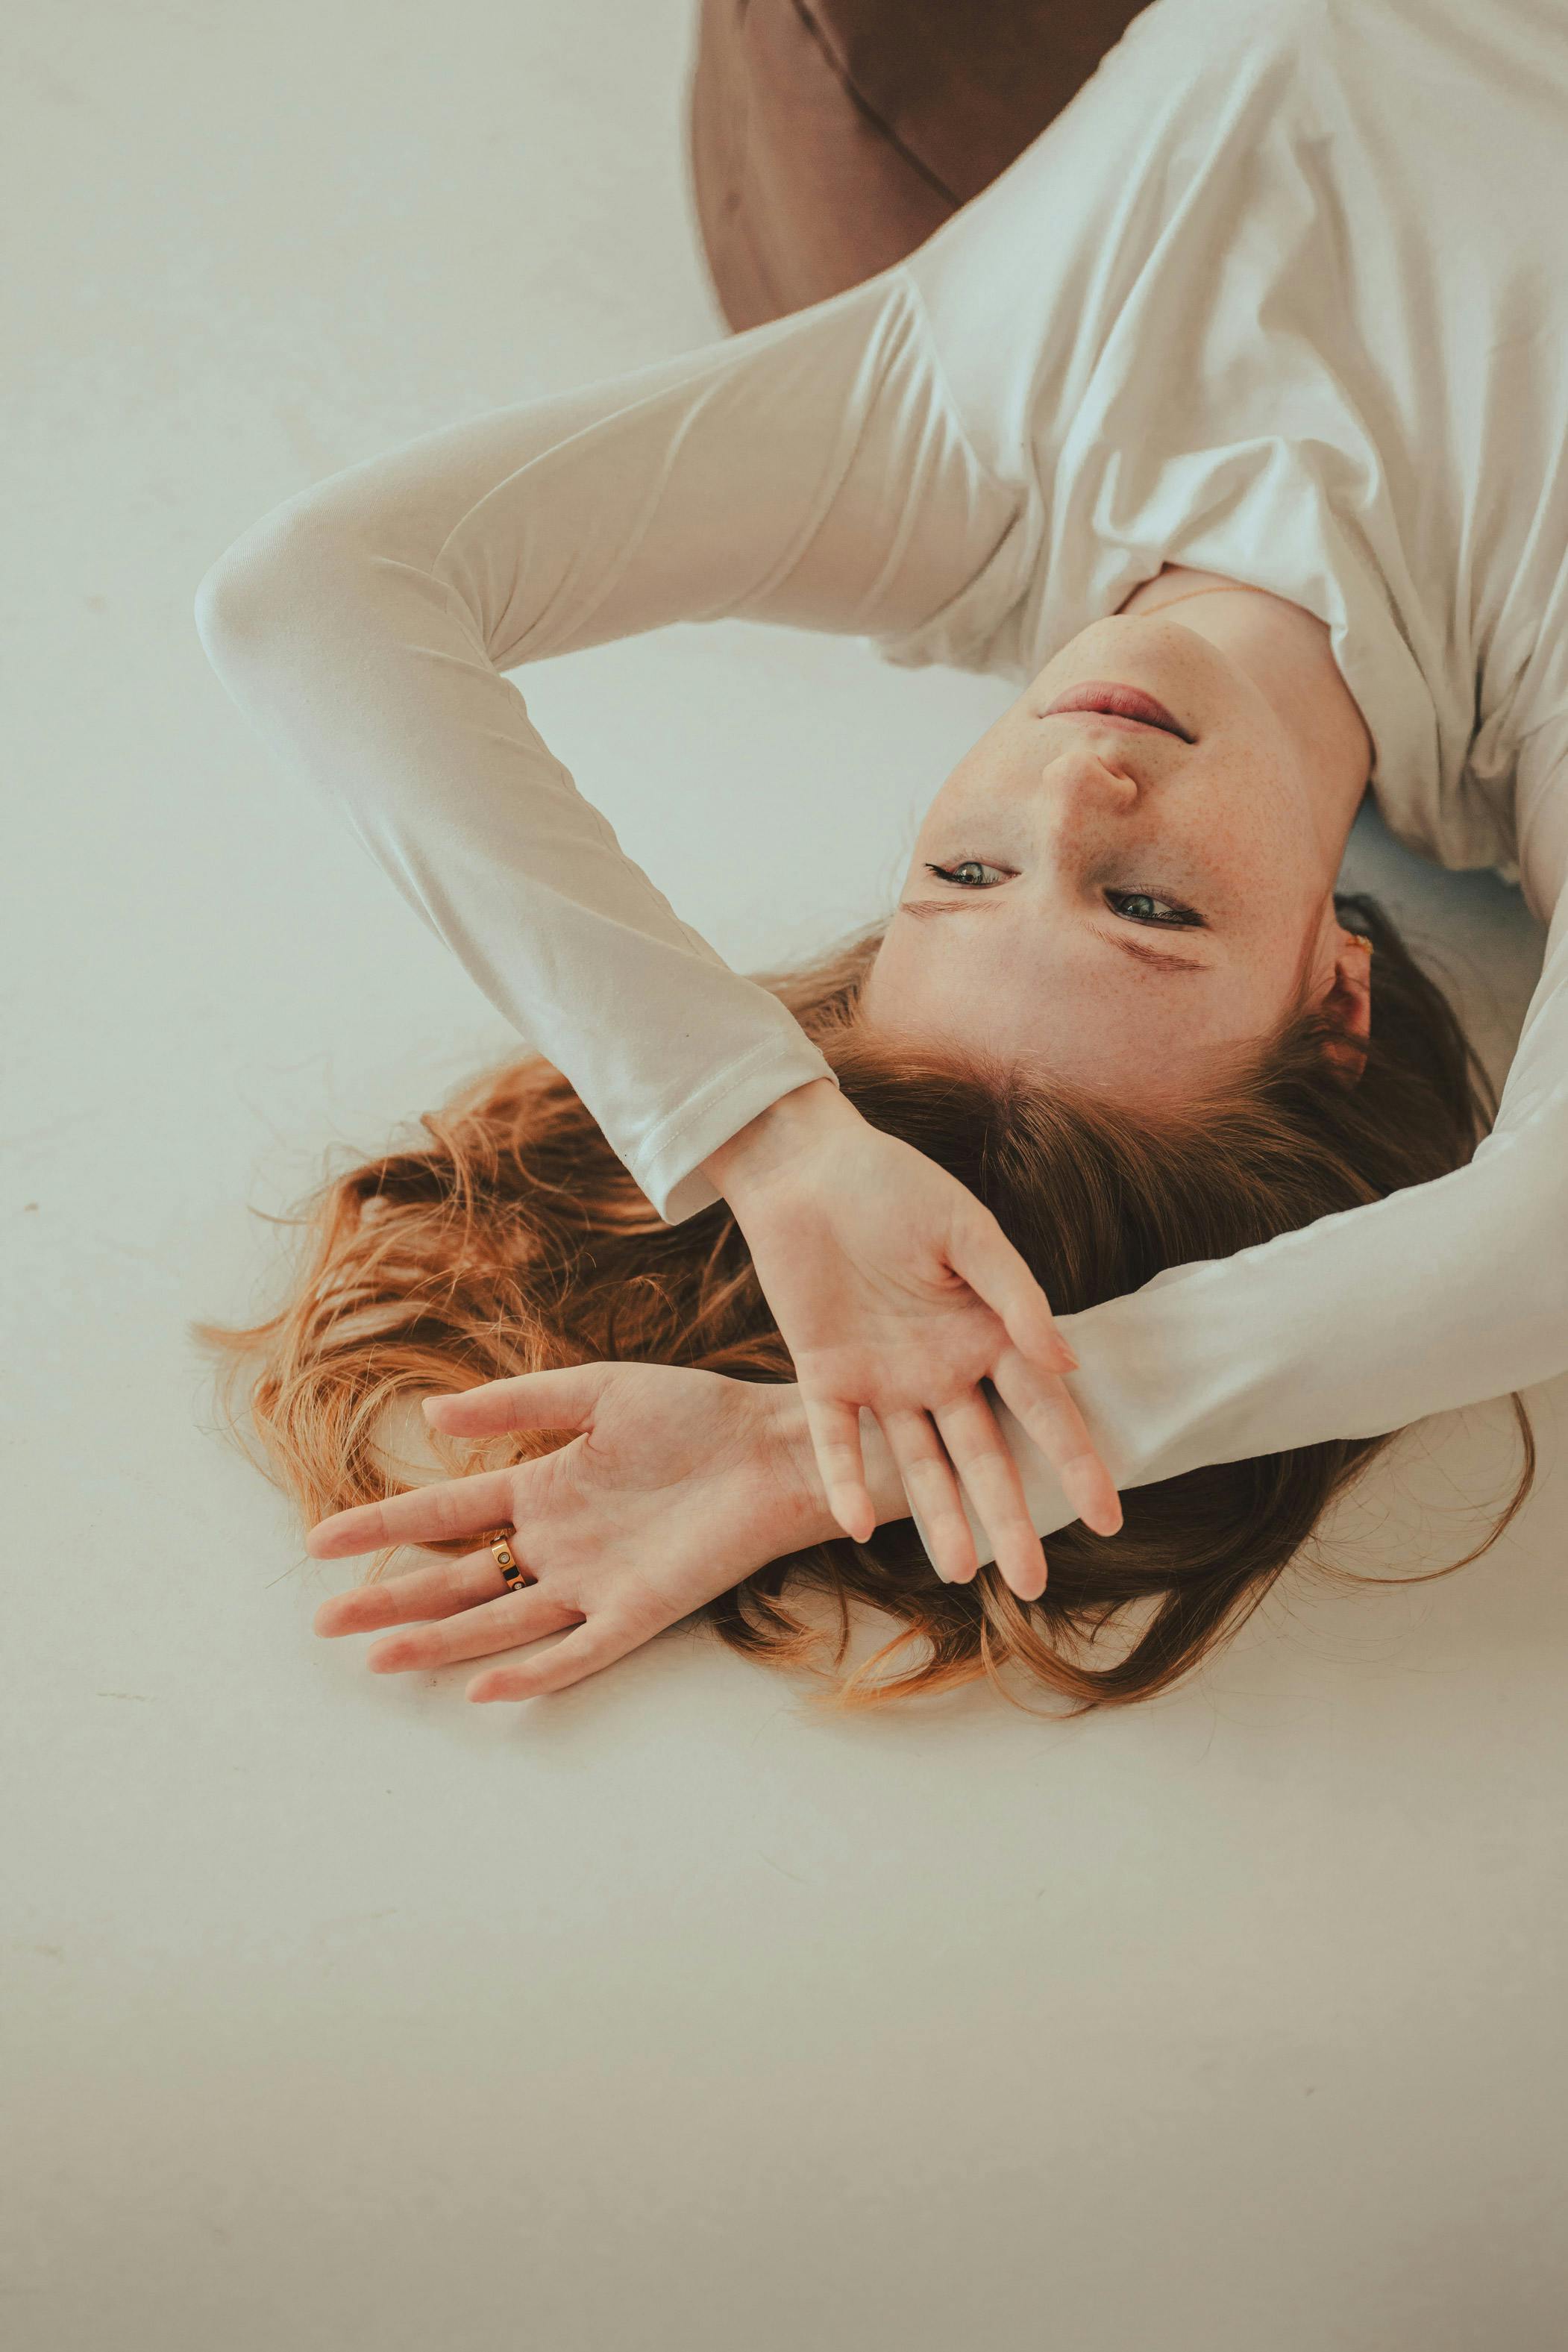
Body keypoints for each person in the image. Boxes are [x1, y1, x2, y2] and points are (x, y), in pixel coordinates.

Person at [194, 0, 1568, 1710]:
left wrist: (765, 1133)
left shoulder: (969, 459)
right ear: (1336, 990)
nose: (1076, 790)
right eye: (1153, 911)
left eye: (966, 877)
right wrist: (912, 1442)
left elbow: (307, 594)